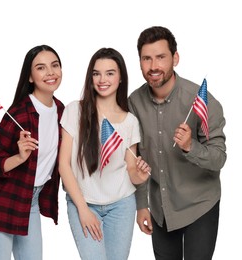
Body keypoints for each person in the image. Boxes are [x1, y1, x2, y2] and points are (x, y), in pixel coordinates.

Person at [128, 26, 227, 260]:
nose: (153, 66)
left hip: (199, 204)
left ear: (175, 58)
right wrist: (142, 204)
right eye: (147, 59)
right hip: (161, 209)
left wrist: (190, 146)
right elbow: (136, 157)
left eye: (161, 57)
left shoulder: (201, 101)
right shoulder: (134, 102)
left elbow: (219, 158)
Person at [59, 47, 151, 260]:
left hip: (121, 204)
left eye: (110, 73)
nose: (102, 79)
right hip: (83, 201)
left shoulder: (130, 121)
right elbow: (64, 164)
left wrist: (141, 175)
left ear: (120, 78)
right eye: (96, 73)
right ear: (90, 78)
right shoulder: (74, 111)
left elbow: (131, 170)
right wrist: (83, 209)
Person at [0, 44, 65, 260]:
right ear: (31, 77)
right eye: (41, 68)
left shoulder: (62, 111)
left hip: (29, 202)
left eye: (55, 65)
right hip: (0, 203)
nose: (50, 72)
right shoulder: (19, 115)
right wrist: (19, 157)